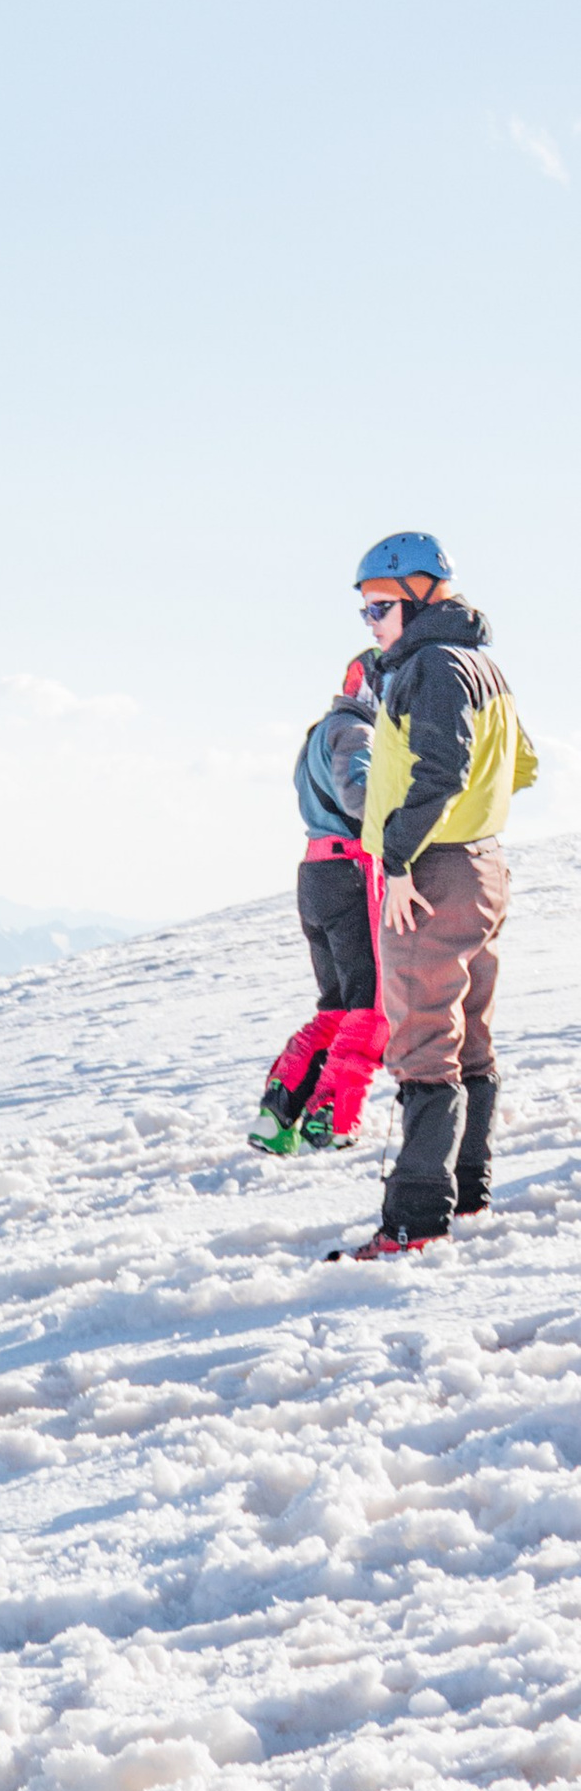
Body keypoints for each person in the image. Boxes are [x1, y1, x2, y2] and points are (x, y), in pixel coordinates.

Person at [341, 531, 536, 1256]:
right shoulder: (485, 666)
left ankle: (414, 1222)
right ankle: (468, 1190)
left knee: (423, 1037)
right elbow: (521, 765)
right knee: (468, 1031)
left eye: (378, 607)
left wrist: (398, 861)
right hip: (481, 865)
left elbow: (441, 771)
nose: (372, 622)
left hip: (431, 871)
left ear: (421, 596)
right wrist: (475, 819)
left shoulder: (429, 666)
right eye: (365, 611)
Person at [250, 657, 385, 1156]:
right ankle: (332, 1118)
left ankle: (277, 1116)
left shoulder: (318, 733)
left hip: (316, 873)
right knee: (369, 1007)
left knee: (337, 1005)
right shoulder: (354, 731)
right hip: (350, 872)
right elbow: (358, 796)